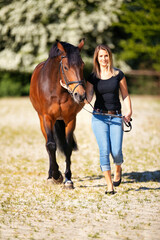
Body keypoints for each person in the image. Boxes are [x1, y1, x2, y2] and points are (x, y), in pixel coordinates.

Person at [85, 44, 132, 194]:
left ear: (109, 57)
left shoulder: (118, 74)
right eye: (101, 56)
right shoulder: (92, 78)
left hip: (116, 116)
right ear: (96, 59)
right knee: (104, 150)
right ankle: (109, 185)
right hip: (99, 117)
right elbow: (88, 99)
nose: (104, 59)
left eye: (106, 55)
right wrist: (74, 92)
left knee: (116, 151)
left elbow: (125, 94)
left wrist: (129, 111)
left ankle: (118, 168)